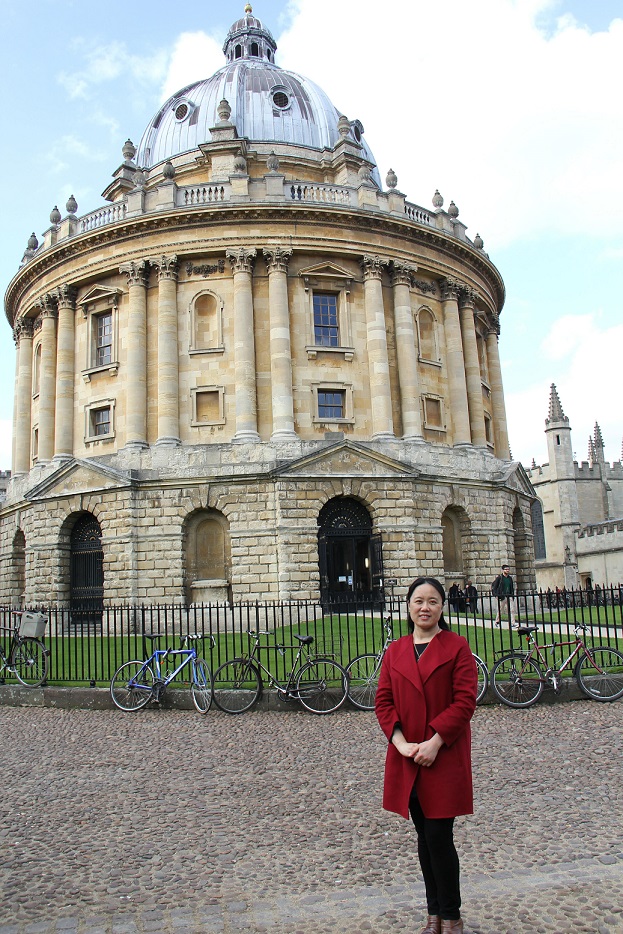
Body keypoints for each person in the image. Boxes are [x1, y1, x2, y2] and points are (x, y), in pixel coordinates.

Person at [375, 577, 477, 934]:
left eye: (433, 601)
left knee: (438, 836)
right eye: (418, 600)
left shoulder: (456, 646)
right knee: (424, 836)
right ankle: (434, 914)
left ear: (442, 607)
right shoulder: (395, 651)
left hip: (442, 756)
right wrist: (400, 743)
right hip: (408, 758)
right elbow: (383, 701)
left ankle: (451, 915)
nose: (425, 607)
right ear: (408, 606)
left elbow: (465, 701)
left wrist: (435, 742)